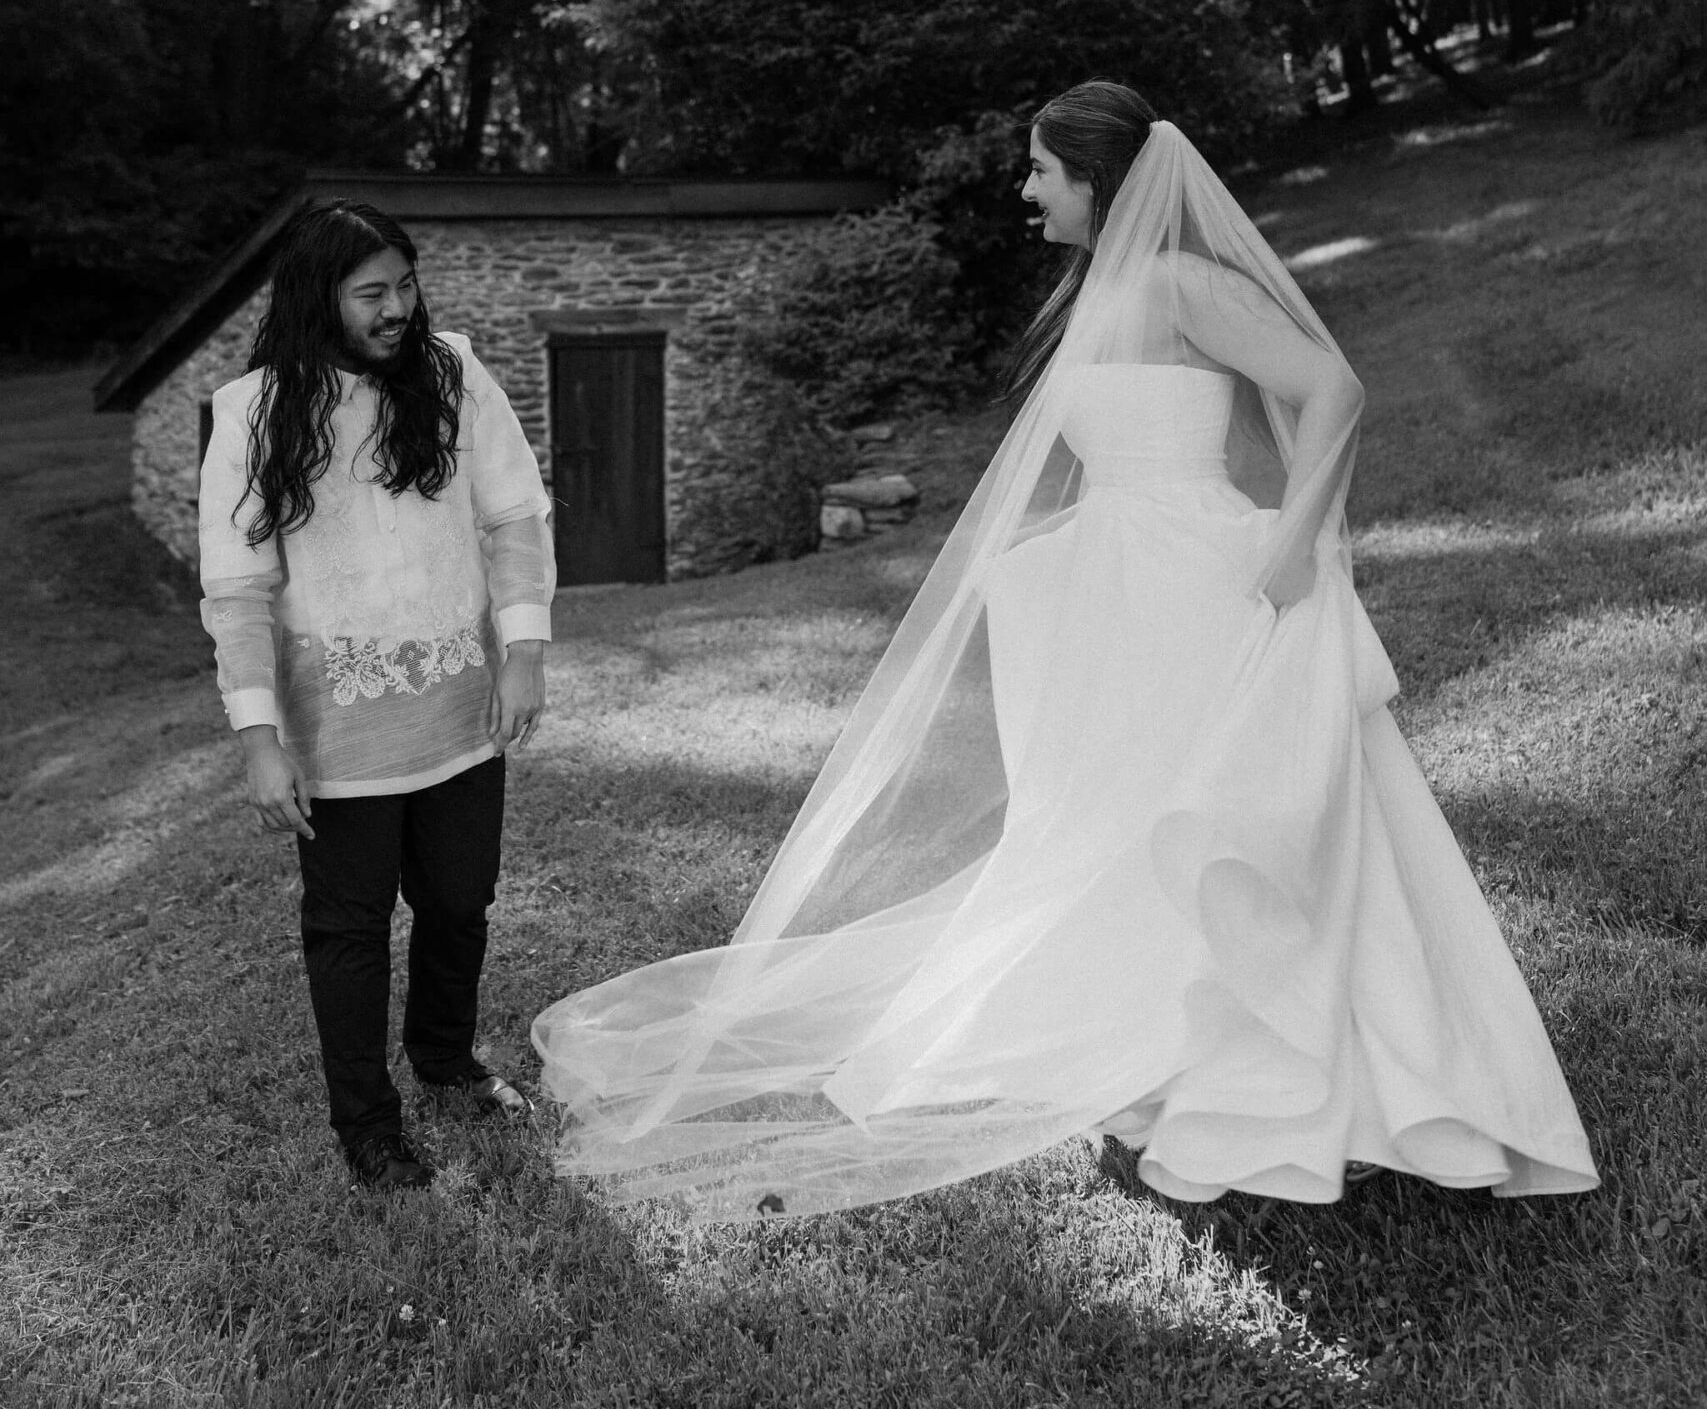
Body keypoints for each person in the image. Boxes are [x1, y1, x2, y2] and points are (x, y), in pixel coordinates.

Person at [532, 83, 1596, 1217]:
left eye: (1042, 169)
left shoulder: (1187, 283)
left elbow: (1332, 387)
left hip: (1201, 577)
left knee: (1217, 806)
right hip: (1122, 587)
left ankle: (1324, 1061)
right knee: (1118, 812)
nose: (1025, 189)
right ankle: (1154, 1041)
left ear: (1099, 179)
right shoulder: (1099, 295)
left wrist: (1292, 549)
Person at [199, 200, 556, 1193]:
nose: (398, 306)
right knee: (348, 932)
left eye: (405, 284)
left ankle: (444, 1060)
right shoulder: (254, 414)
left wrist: (523, 648)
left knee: (459, 902)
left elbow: (515, 514)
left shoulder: (451, 374)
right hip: (335, 733)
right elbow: (238, 590)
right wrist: (259, 737)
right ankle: (368, 1124)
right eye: (373, 292)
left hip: (460, 711)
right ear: (322, 296)